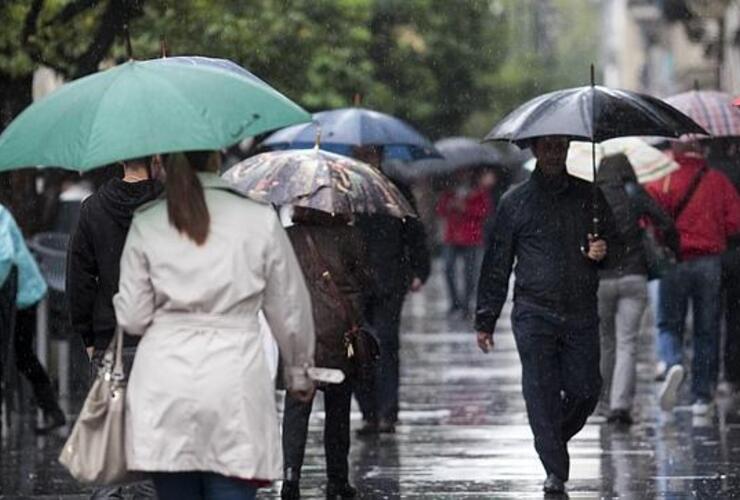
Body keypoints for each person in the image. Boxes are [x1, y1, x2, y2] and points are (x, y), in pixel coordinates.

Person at [113, 151, 315, 500]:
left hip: (165, 385)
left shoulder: (148, 221)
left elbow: (132, 317)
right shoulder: (258, 219)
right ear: (217, 158)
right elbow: (290, 309)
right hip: (235, 382)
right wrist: (299, 371)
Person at [475, 136, 616, 495]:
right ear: (535, 150)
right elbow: (497, 263)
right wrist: (486, 318)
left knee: (586, 390)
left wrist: (602, 251)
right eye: (548, 146)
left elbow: (616, 249)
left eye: (560, 146)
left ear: (568, 148)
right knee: (541, 391)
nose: (554, 153)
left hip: (581, 310)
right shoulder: (515, 202)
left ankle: (551, 437)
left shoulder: (590, 197)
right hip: (534, 312)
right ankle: (555, 469)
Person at [66, 156, 163, 499]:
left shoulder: (93, 209)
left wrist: (88, 336)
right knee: (153, 449)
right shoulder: (168, 205)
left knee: (108, 444)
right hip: (162, 340)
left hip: (111, 340)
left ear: (120, 158)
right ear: (155, 156)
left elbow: (79, 278)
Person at [281, 207, 374, 500]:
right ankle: (337, 479)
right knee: (338, 407)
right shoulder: (348, 236)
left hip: (299, 331)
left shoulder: (287, 238)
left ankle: (290, 478)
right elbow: (366, 280)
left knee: (297, 407)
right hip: (338, 332)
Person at [646, 140, 740, 416]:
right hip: (709, 263)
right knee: (706, 330)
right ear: (701, 151)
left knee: (668, 324)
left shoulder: (662, 179)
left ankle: (673, 361)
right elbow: (735, 222)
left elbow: (648, 219)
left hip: (673, 262)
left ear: (674, 151)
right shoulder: (717, 180)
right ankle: (702, 397)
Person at [351, 146, 431, 435]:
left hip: (388, 279)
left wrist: (420, 269)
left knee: (385, 344)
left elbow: (413, 230)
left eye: (369, 153)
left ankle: (386, 411)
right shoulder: (344, 188)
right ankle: (370, 411)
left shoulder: (395, 188)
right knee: (358, 347)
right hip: (355, 282)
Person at [594, 154, 679, 426]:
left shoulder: (591, 197)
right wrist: (665, 246)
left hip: (602, 279)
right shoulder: (635, 193)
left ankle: (605, 402)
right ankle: (621, 406)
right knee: (627, 342)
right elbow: (665, 222)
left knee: (606, 342)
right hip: (634, 275)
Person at [0, 204, 65, 433]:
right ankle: (52, 410)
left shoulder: (0, 214)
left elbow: (4, 257)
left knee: (22, 354)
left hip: (23, 294)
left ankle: (52, 410)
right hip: (16, 294)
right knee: (22, 354)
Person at [436, 171, 492, 318]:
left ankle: (466, 304)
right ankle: (455, 302)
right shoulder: (449, 191)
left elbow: (484, 211)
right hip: (452, 236)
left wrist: (466, 208)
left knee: (470, 272)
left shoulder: (479, 191)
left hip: (471, 237)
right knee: (448, 268)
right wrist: (451, 205)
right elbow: (440, 210)